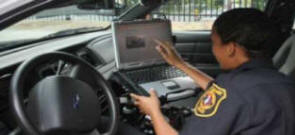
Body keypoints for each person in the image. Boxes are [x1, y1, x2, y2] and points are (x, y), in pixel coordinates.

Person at [130, 8, 295, 135]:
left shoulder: (233, 90)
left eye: (214, 42)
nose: (213, 49)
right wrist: (180, 64)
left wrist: (153, 111)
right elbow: (221, 91)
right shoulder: (284, 83)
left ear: (231, 49)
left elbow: (226, 94)